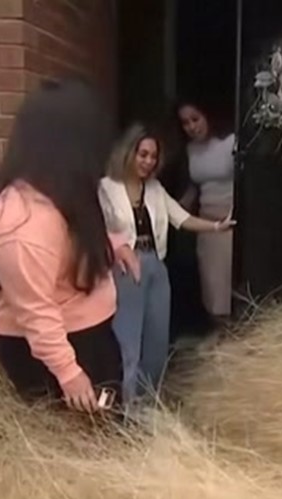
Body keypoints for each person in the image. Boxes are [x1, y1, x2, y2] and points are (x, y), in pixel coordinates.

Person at [0, 79, 139, 414]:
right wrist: (69, 374)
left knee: (107, 435)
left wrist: (114, 245)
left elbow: (71, 239)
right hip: (57, 351)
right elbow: (36, 310)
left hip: (88, 336)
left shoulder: (58, 190)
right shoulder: (21, 221)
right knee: (78, 449)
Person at [99, 123, 236, 403]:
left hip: (156, 267)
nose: (148, 162)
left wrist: (216, 227)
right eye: (143, 154)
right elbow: (99, 230)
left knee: (157, 341)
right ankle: (126, 407)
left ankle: (148, 402)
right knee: (128, 340)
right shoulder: (106, 188)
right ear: (129, 153)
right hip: (126, 268)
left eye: (153, 157)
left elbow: (181, 218)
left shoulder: (155, 189)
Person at [175, 98, 238, 326]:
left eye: (195, 119)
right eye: (185, 123)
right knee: (210, 287)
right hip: (206, 224)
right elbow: (196, 185)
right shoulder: (190, 150)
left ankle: (233, 337)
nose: (192, 126)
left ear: (208, 116)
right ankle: (218, 335)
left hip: (230, 224)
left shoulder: (231, 142)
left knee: (227, 287)